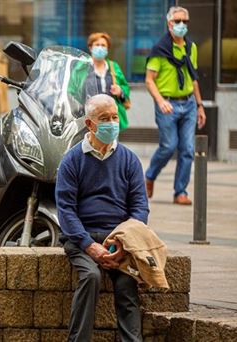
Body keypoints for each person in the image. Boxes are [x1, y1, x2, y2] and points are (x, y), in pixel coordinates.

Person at [56, 94, 149, 342]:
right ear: (89, 124)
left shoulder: (129, 160)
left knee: (127, 284)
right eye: (104, 119)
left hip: (119, 239)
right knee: (91, 277)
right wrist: (90, 245)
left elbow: (140, 206)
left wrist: (123, 242)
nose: (111, 123)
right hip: (81, 240)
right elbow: (65, 209)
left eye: (115, 117)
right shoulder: (72, 160)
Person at [145, 6, 206, 205]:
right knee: (168, 146)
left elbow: (193, 78)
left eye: (184, 22)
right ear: (169, 23)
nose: (181, 25)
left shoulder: (191, 48)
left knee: (188, 149)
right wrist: (160, 101)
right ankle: (150, 176)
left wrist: (199, 105)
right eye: (177, 21)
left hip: (188, 103)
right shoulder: (159, 50)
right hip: (167, 104)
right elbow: (149, 80)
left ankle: (181, 192)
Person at [87, 32, 131, 131]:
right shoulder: (82, 68)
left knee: (111, 144)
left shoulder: (113, 67)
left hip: (110, 117)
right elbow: (72, 91)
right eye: (97, 45)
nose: (100, 48)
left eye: (103, 45)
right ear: (90, 47)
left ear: (107, 49)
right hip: (90, 116)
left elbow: (125, 88)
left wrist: (120, 91)